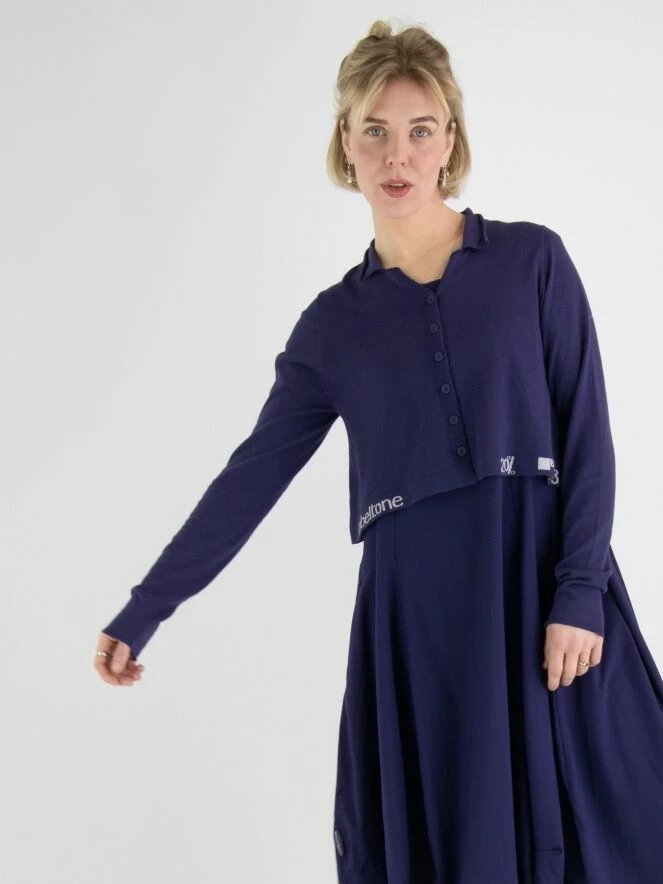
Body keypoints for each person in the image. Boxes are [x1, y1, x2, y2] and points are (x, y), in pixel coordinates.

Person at [94, 18, 663, 884]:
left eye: (419, 130)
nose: (397, 154)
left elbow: (586, 431)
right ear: (346, 145)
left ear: (449, 142)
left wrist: (579, 588)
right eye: (375, 131)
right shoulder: (332, 327)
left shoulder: (530, 261)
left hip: (540, 579)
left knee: (616, 814)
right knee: (454, 840)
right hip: (421, 621)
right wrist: (145, 610)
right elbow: (248, 481)